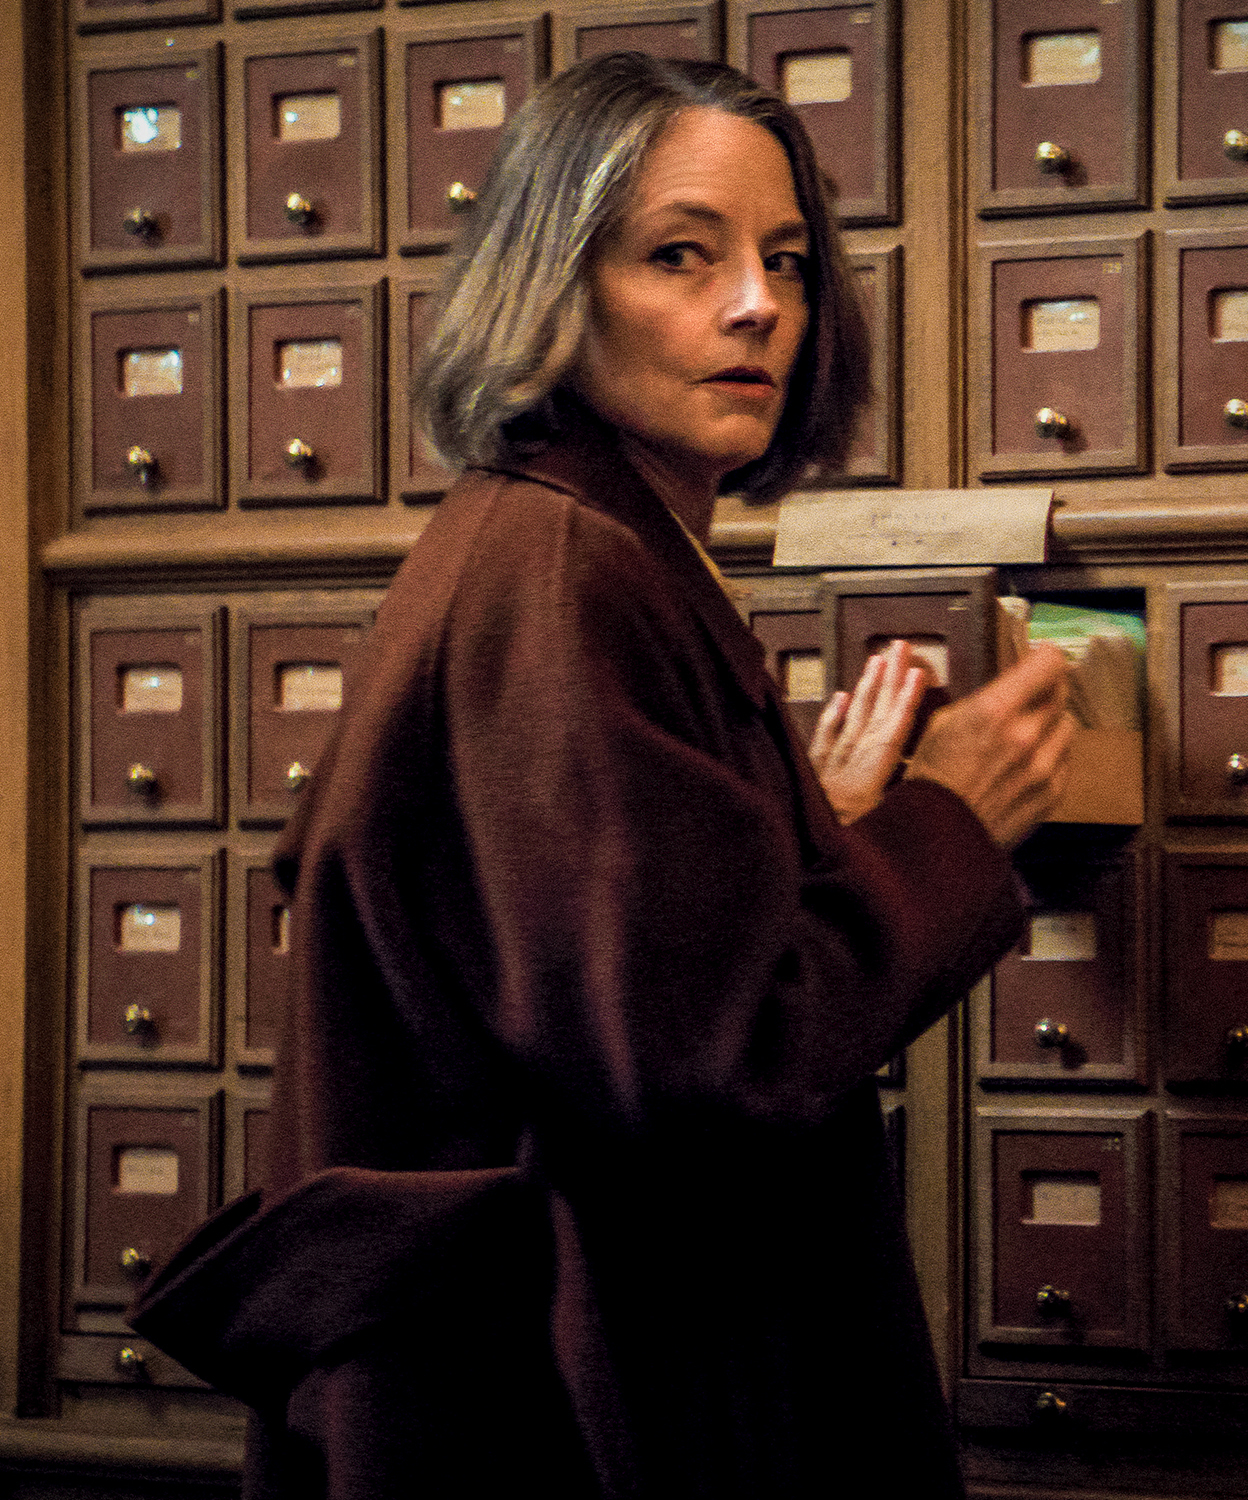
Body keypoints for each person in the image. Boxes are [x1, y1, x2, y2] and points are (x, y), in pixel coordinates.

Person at [131, 53, 1075, 1500]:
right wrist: (953, 824)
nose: (755, 304)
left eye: (785, 260)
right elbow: (705, 1068)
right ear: (554, 284)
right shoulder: (570, 571)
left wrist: (810, 834)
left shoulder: (578, 540)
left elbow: (593, 972)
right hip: (564, 1421)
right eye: (679, 257)